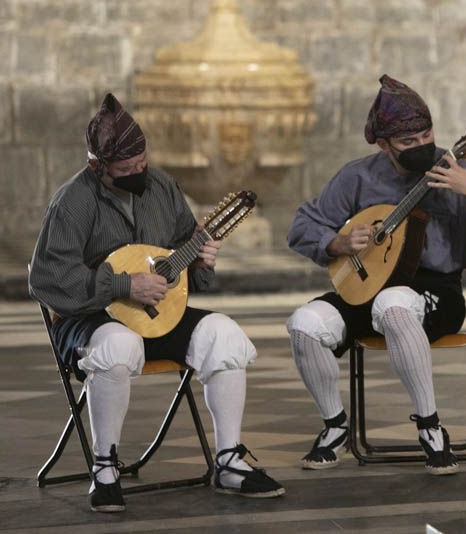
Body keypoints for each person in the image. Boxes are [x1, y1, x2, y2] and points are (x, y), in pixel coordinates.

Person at [28, 94, 284, 513]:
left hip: (158, 315)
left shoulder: (162, 186)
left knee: (225, 334)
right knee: (117, 346)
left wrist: (200, 260)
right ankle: (105, 468)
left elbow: (183, 259)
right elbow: (47, 278)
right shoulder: (72, 202)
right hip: (90, 319)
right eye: (126, 170)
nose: (138, 173)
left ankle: (230, 461)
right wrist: (122, 285)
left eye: (142, 162)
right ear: (98, 166)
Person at [286, 75, 466, 475]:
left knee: (394, 304)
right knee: (303, 324)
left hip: (438, 294)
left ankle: (430, 426)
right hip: (365, 287)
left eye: (426, 135)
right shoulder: (359, 176)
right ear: (384, 145)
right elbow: (302, 227)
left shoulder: (463, 172)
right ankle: (335, 427)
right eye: (408, 142)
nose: (421, 146)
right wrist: (339, 243)